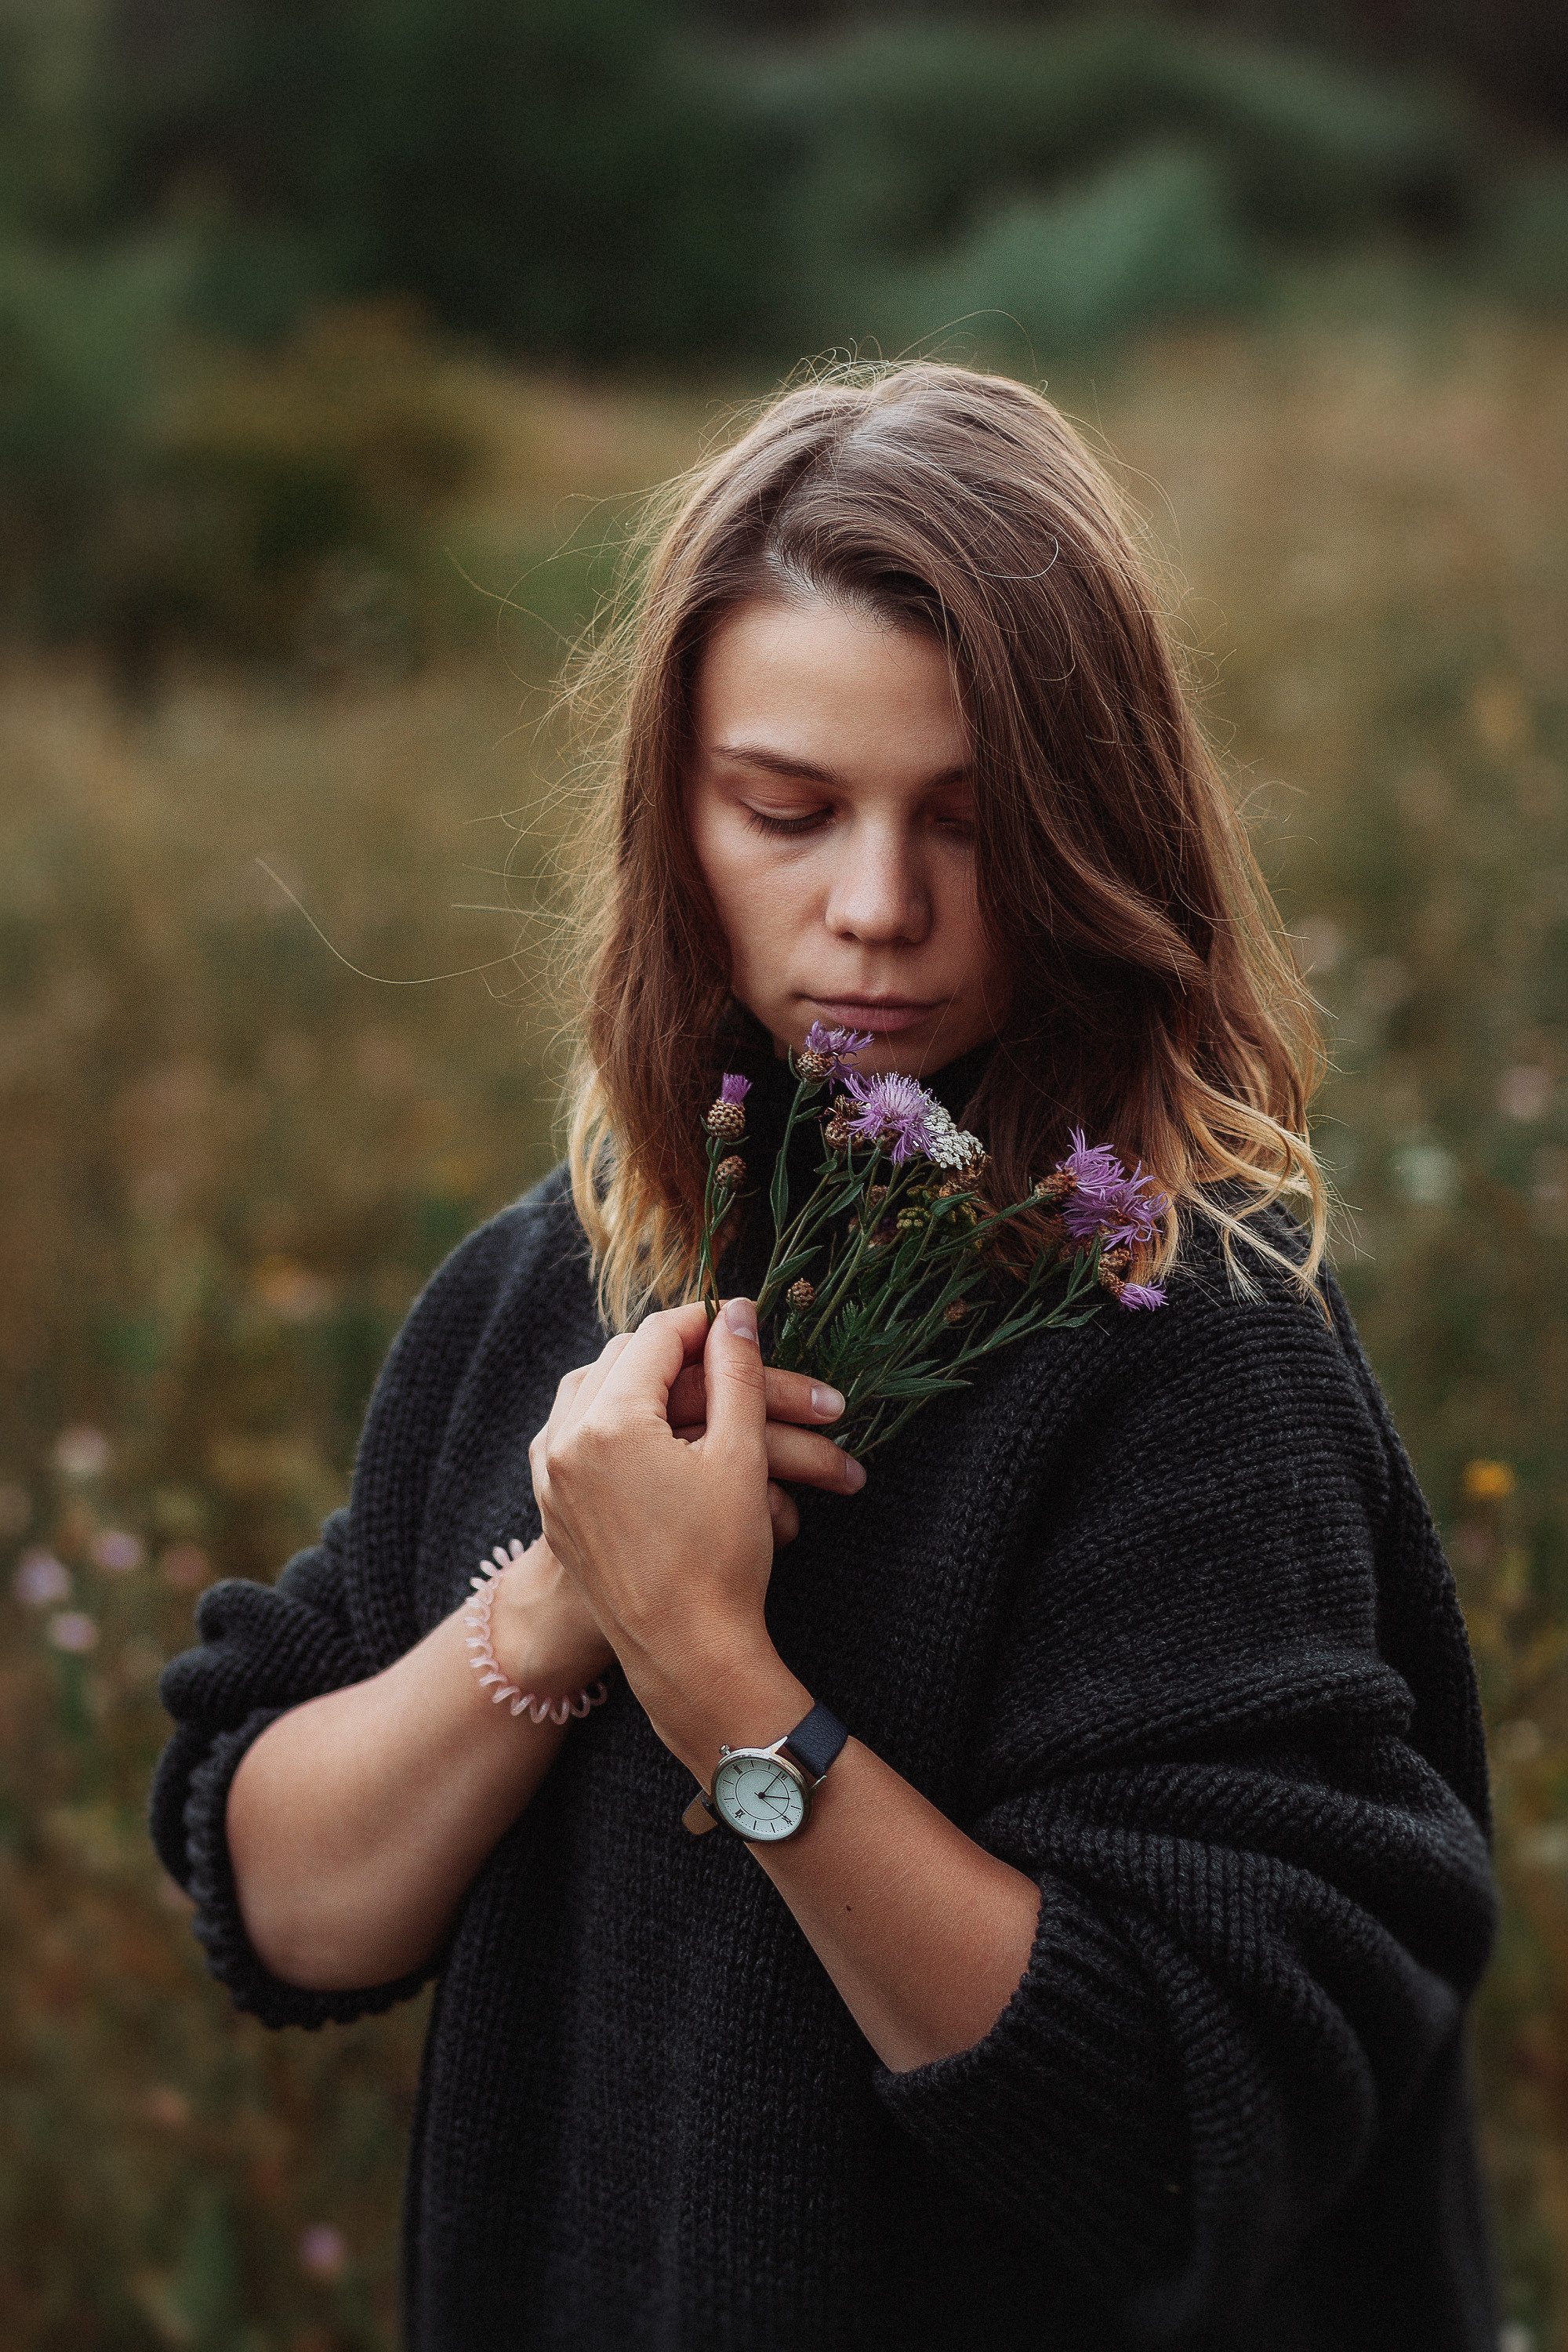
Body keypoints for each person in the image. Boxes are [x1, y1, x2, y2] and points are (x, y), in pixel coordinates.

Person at [152, 364, 1497, 2350]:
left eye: (968, 822)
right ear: (676, 813)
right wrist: (556, 1614)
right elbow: (286, 1909)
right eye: (786, 810)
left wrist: (718, 1681)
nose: (874, 912)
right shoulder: (557, 1278)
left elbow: (1174, 2142)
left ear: (1093, 827)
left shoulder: (1182, 1352)